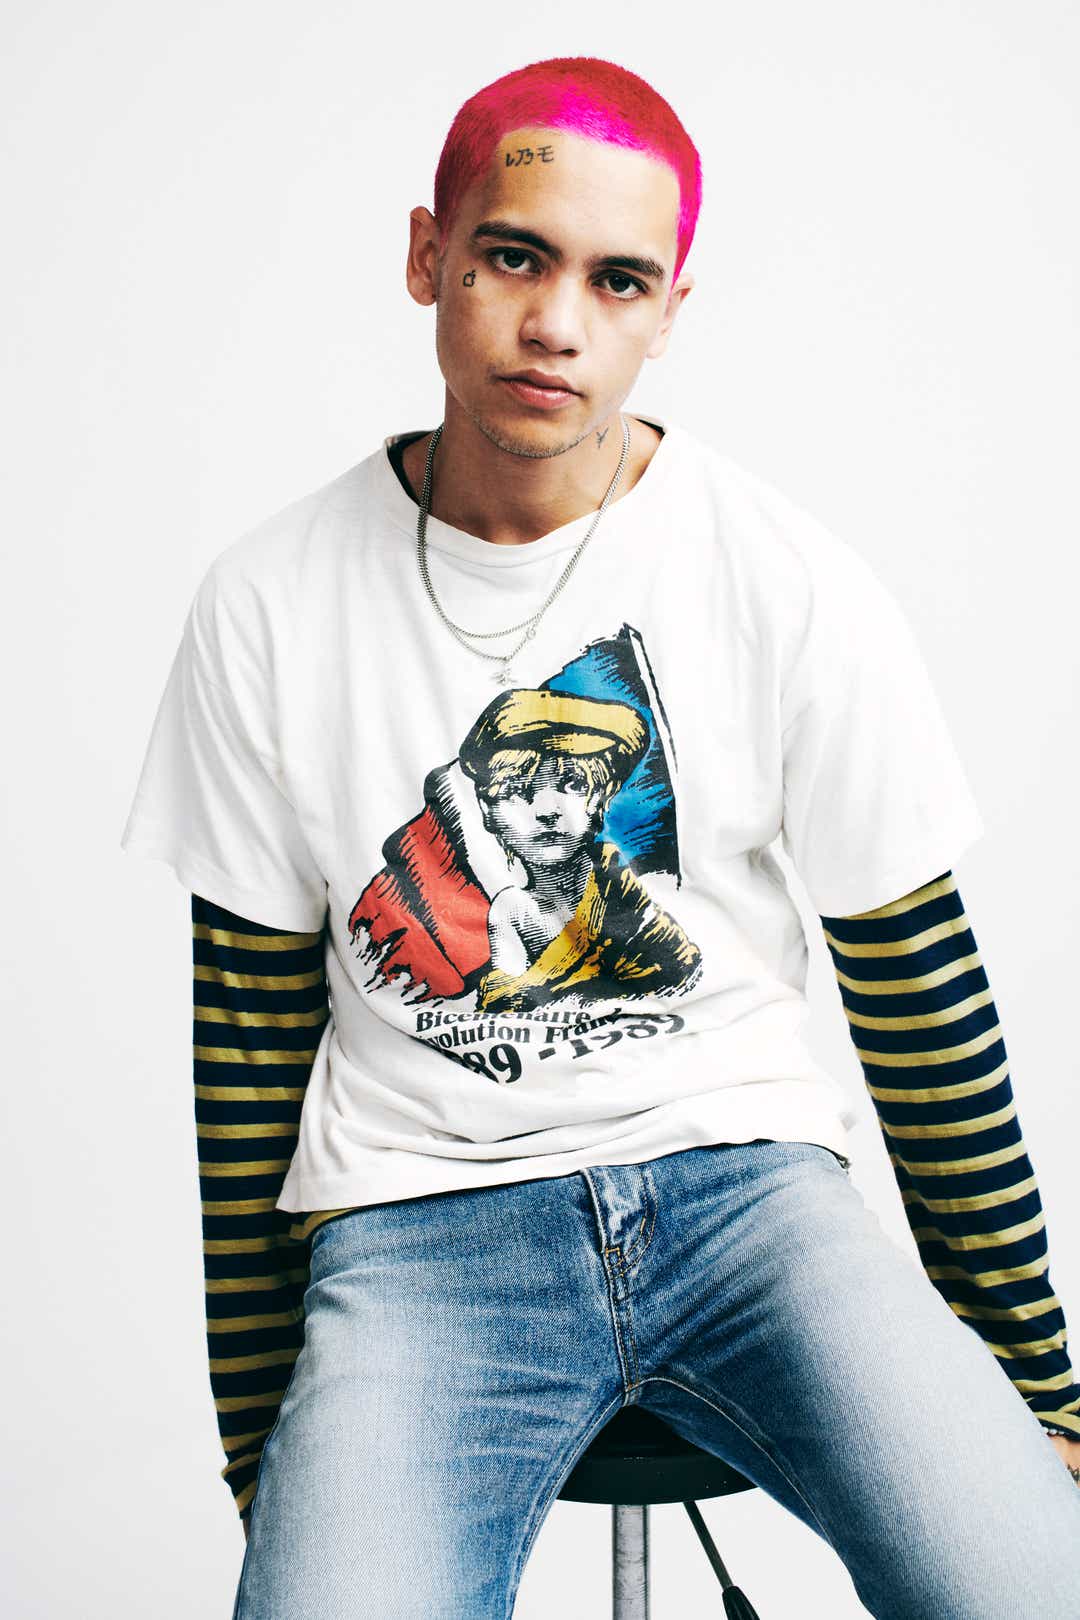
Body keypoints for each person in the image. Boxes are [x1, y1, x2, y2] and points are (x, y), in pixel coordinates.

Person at [121, 54, 1080, 1620]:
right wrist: (265, 1457)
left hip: (748, 1200)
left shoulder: (785, 578)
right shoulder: (267, 605)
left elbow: (918, 989)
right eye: (515, 256)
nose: (557, 322)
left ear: (667, 312)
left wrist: (1039, 1392)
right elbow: (247, 1047)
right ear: (428, 254)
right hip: (422, 1234)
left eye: (615, 280)